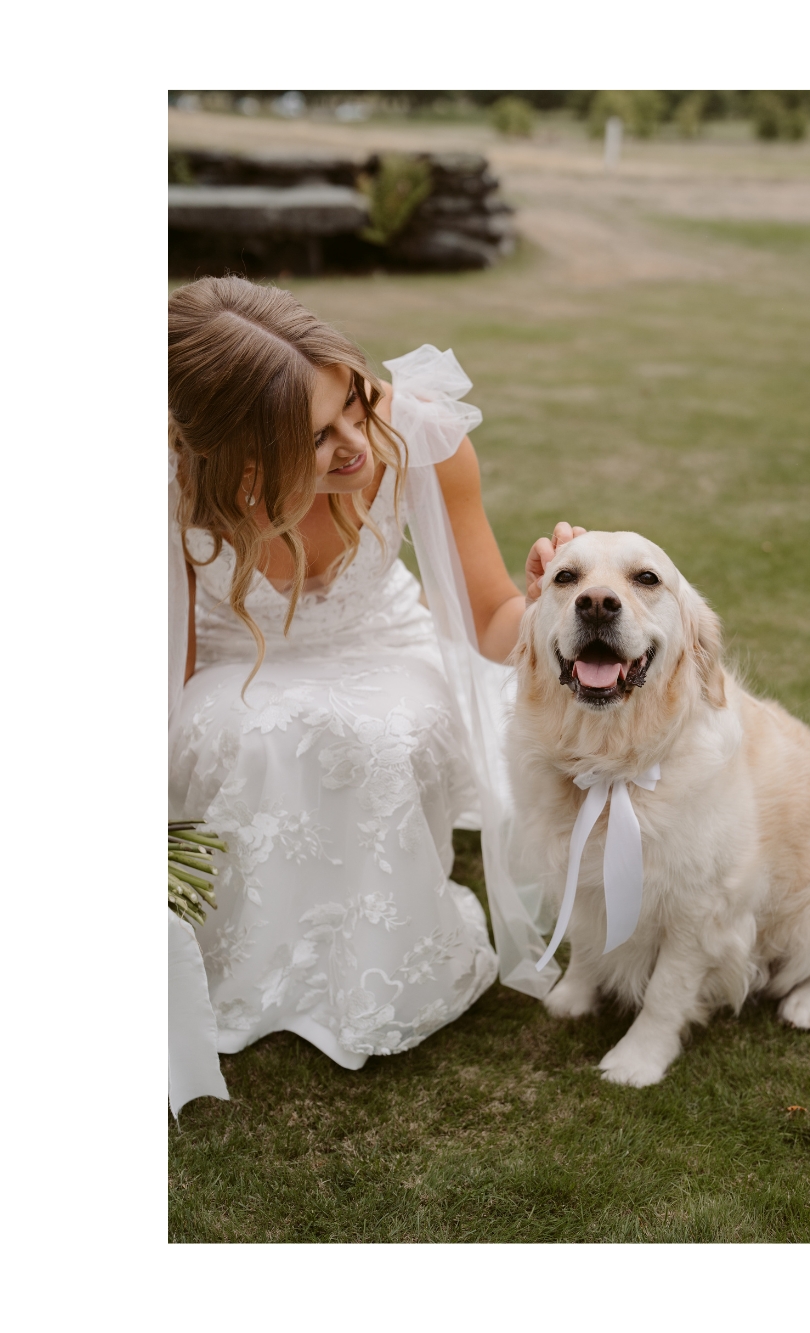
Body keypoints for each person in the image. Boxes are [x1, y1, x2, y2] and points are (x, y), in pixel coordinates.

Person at [168, 276, 577, 1076]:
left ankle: (385, 955)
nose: (357, 443)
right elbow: (166, 667)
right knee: (250, 738)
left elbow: (493, 620)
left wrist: (550, 600)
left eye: (354, 403)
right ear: (241, 457)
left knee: (383, 739)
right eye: (317, 437)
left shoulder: (419, 434)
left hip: (380, 641)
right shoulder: (173, 485)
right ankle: (254, 951)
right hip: (233, 656)